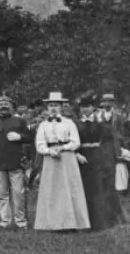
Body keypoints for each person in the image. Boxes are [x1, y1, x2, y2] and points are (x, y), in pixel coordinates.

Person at [33, 92, 90, 232]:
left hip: (67, 157)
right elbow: (39, 144)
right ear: (47, 107)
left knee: (70, 188)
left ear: (61, 107)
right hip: (51, 159)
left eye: (56, 105)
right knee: (52, 190)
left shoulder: (69, 123)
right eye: (51, 105)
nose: (53, 108)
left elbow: (76, 142)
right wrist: (49, 151)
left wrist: (63, 148)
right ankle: (52, 223)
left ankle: (72, 223)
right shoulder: (43, 125)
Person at [76, 93, 123, 231]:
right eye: (82, 107)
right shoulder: (75, 124)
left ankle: (98, 221)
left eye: (88, 106)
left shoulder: (100, 124)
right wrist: (76, 153)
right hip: (80, 157)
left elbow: (110, 139)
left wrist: (110, 156)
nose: (85, 109)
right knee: (82, 187)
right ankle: (82, 221)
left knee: (97, 188)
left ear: (93, 108)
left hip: (96, 157)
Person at [0, 96, 29, 229]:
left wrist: (20, 137)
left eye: (6, 104)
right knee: (2, 194)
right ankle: (5, 221)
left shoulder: (20, 121)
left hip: (16, 162)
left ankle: (21, 221)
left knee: (18, 193)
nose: (3, 106)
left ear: (12, 106)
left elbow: (30, 137)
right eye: (0, 104)